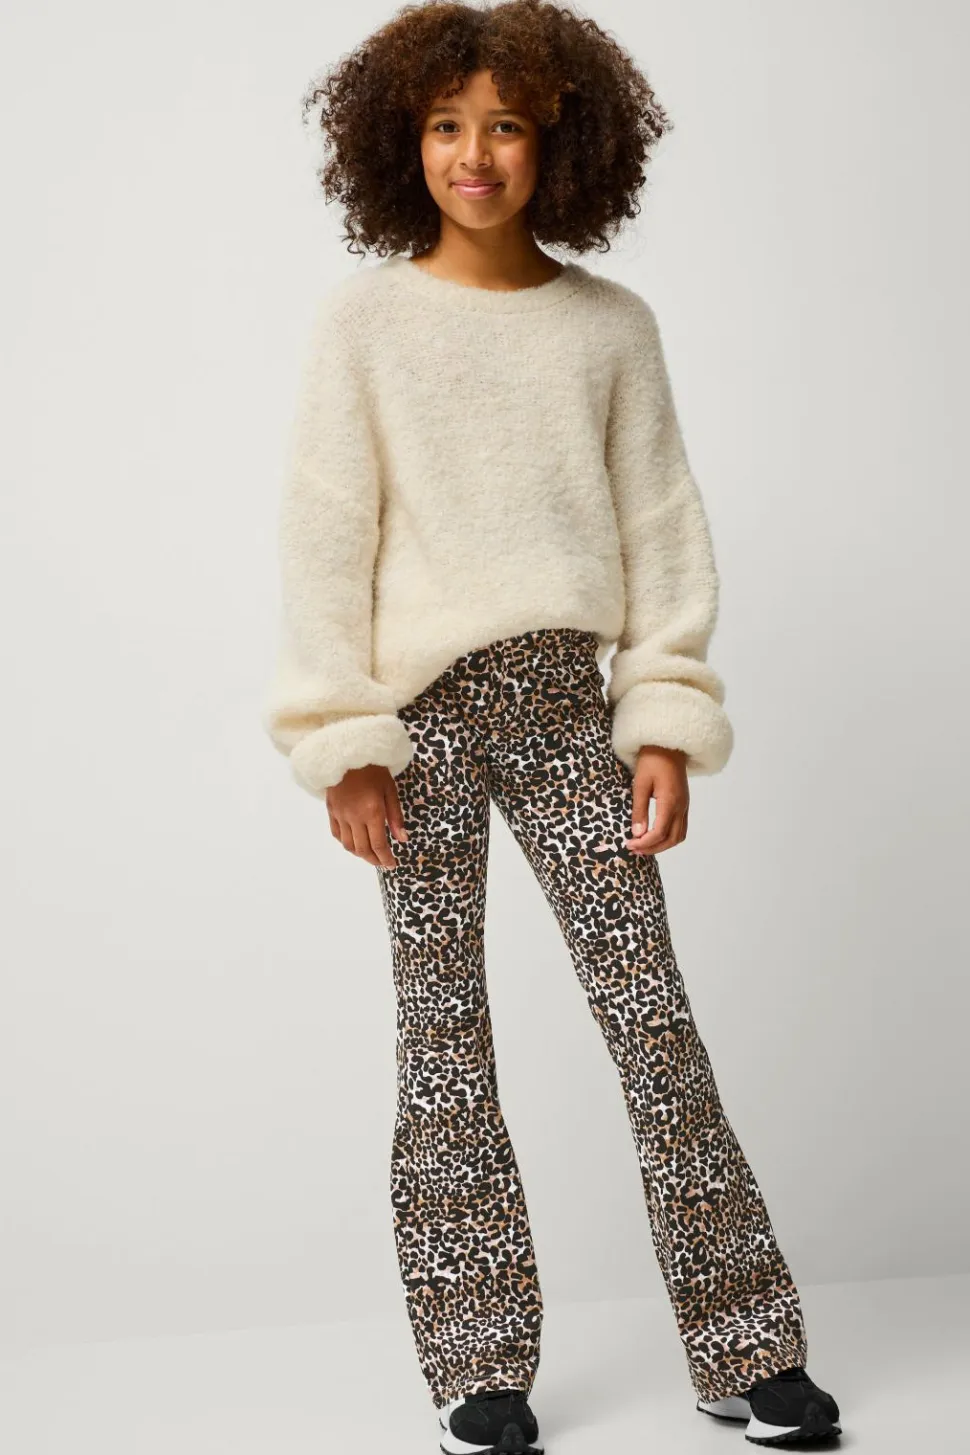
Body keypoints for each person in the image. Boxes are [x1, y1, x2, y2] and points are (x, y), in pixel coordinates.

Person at [262, 2, 843, 1449]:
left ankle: (745, 1346)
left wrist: (663, 720)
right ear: (400, 142)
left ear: (561, 143)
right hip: (415, 723)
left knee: (652, 1022)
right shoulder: (363, 326)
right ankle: (478, 1367)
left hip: (565, 704)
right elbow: (327, 537)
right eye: (446, 124)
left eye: (507, 125)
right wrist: (343, 739)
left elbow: (663, 531)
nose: (475, 154)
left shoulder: (610, 329)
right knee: (441, 1035)